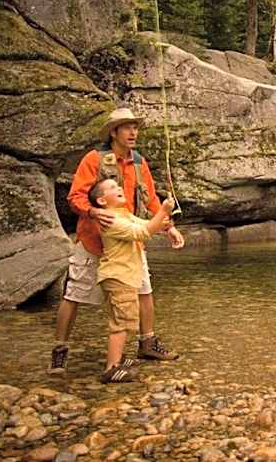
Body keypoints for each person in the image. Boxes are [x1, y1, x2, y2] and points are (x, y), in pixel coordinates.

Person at [49, 107, 185, 374]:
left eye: (135, 127)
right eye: (127, 127)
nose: (133, 132)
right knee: (73, 295)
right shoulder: (93, 159)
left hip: (130, 242)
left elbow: (150, 200)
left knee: (145, 291)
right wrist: (92, 211)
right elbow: (75, 196)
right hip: (92, 240)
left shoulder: (139, 162)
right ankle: (60, 350)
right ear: (114, 132)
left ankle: (147, 343)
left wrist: (168, 227)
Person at [89, 177, 176, 383]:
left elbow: (147, 225)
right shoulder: (110, 220)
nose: (118, 188)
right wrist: (162, 211)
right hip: (119, 276)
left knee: (125, 320)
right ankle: (112, 368)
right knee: (121, 323)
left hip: (122, 276)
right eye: (111, 188)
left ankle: (119, 359)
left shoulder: (123, 214)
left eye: (117, 185)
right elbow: (142, 233)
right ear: (101, 201)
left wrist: (165, 223)